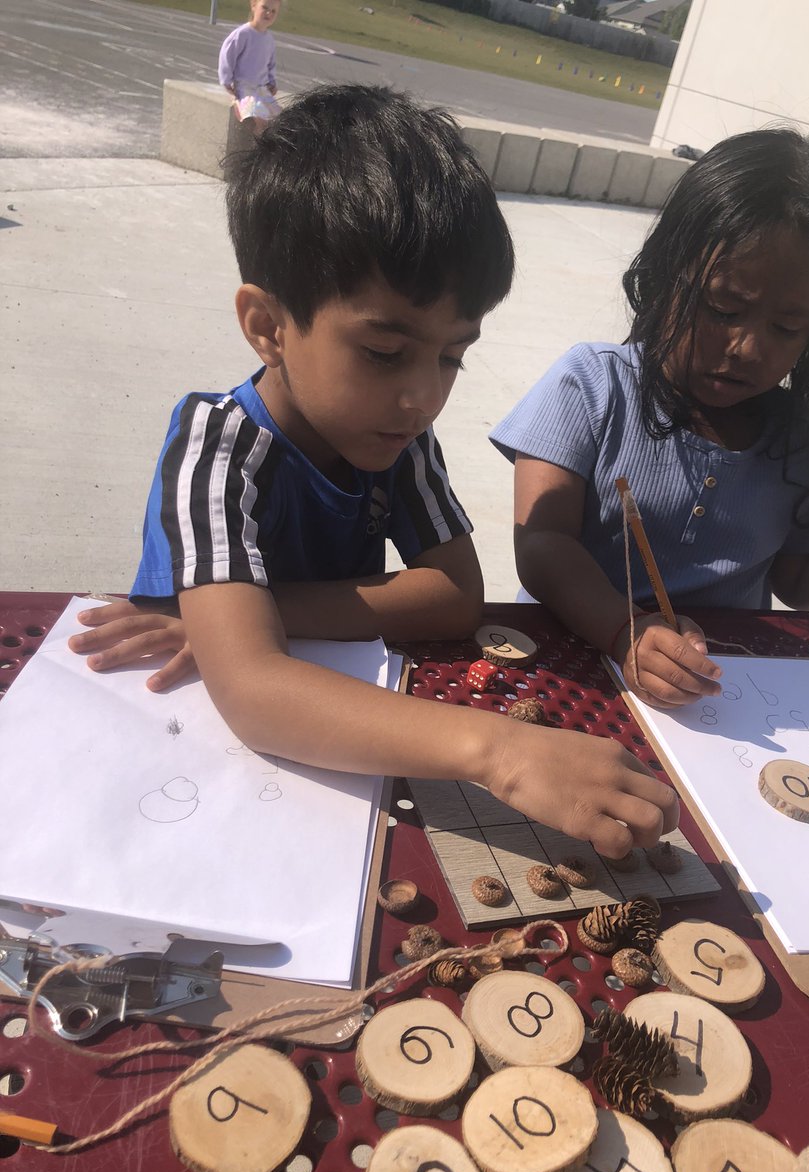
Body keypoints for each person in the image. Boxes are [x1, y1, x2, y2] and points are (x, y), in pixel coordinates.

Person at [69, 85, 678, 859]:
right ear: (268, 326)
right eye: (385, 352)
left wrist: (247, 618)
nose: (424, 395)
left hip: (345, 750)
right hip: (184, 749)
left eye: (453, 354)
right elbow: (254, 693)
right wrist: (502, 752)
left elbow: (454, 597)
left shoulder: (396, 437)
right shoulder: (215, 447)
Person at [490, 127, 809, 711]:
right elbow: (542, 541)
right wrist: (624, 633)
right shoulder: (591, 385)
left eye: (787, 327)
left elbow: (803, 584)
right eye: (725, 308)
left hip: (721, 699)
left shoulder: (794, 435)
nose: (747, 347)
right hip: (568, 670)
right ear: (665, 273)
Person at [218, 0, 282, 133]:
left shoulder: (269, 39)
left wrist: (272, 82)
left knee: (280, 118)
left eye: (274, 11)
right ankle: (257, 150)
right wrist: (226, 81)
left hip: (262, 89)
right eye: (264, 8)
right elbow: (228, 55)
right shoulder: (243, 34)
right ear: (253, 6)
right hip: (244, 88)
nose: (269, 13)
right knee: (260, 119)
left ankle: (272, 149)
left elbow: (270, 64)